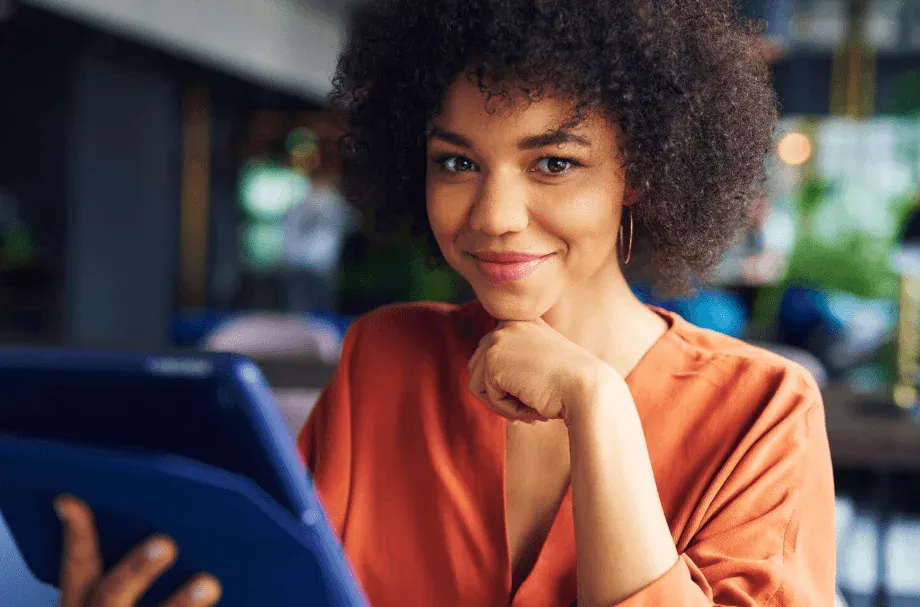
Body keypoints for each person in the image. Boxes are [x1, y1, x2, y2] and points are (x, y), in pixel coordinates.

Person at [52, 1, 836, 605]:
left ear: (640, 172)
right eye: (457, 160)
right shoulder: (385, 360)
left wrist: (598, 404)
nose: (493, 214)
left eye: (553, 163)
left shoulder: (762, 409)